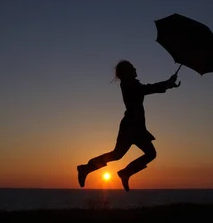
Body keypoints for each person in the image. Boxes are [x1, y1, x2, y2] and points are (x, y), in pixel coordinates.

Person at [77, 60, 181, 191]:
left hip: (133, 126)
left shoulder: (130, 84)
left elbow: (147, 88)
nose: (135, 70)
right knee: (144, 154)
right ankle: (122, 172)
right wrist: (168, 83)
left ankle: (92, 169)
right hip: (132, 127)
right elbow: (147, 89)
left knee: (121, 154)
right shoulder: (129, 85)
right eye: (132, 68)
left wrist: (168, 83)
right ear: (127, 72)